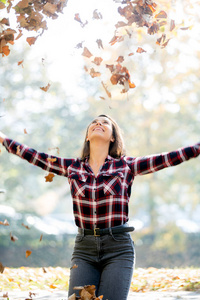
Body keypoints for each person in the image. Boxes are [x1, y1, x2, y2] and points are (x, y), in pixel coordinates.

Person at [0, 114, 199, 300]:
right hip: (84, 249)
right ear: (87, 136)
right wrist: (3, 139)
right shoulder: (72, 167)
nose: (98, 124)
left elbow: (169, 158)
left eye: (105, 123)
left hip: (118, 248)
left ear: (113, 137)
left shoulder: (126, 166)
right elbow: (36, 156)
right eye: (94, 122)